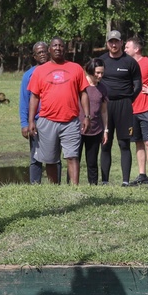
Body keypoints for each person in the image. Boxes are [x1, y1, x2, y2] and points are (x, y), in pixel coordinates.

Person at [27, 37, 90, 185]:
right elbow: (34, 97)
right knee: (50, 159)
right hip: (47, 120)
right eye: (54, 45)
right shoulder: (40, 71)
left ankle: (75, 189)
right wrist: (30, 121)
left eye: (61, 46)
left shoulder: (76, 68)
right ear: (49, 49)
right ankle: (54, 189)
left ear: (65, 49)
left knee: (73, 156)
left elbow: (84, 93)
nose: (58, 48)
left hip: (71, 121)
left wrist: (86, 116)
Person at [98, 30, 142, 186]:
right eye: (111, 42)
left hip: (124, 105)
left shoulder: (130, 62)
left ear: (121, 43)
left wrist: (129, 99)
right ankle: (104, 180)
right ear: (107, 43)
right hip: (105, 105)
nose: (114, 44)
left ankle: (125, 181)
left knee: (124, 143)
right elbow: (92, 80)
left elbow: (138, 84)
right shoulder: (101, 61)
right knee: (105, 143)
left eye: (116, 41)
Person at [20, 42, 61, 184]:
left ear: (49, 52)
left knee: (55, 156)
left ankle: (56, 185)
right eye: (39, 52)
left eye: (44, 51)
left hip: (55, 119)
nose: (42, 54)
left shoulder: (57, 70)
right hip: (36, 121)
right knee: (35, 156)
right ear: (34, 56)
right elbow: (24, 101)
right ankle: (35, 185)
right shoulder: (29, 75)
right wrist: (25, 124)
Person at [125, 37, 148, 185]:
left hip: (146, 109)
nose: (125, 50)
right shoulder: (126, 64)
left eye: (127, 47)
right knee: (137, 142)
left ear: (136, 49)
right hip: (131, 111)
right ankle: (142, 174)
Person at [80, 58, 110, 185]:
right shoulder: (81, 85)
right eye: (97, 73)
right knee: (74, 159)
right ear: (90, 71)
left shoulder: (102, 88)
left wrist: (105, 130)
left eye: (102, 73)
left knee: (92, 161)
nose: (100, 76)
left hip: (95, 129)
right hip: (78, 129)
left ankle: (93, 186)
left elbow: (104, 111)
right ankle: (71, 185)